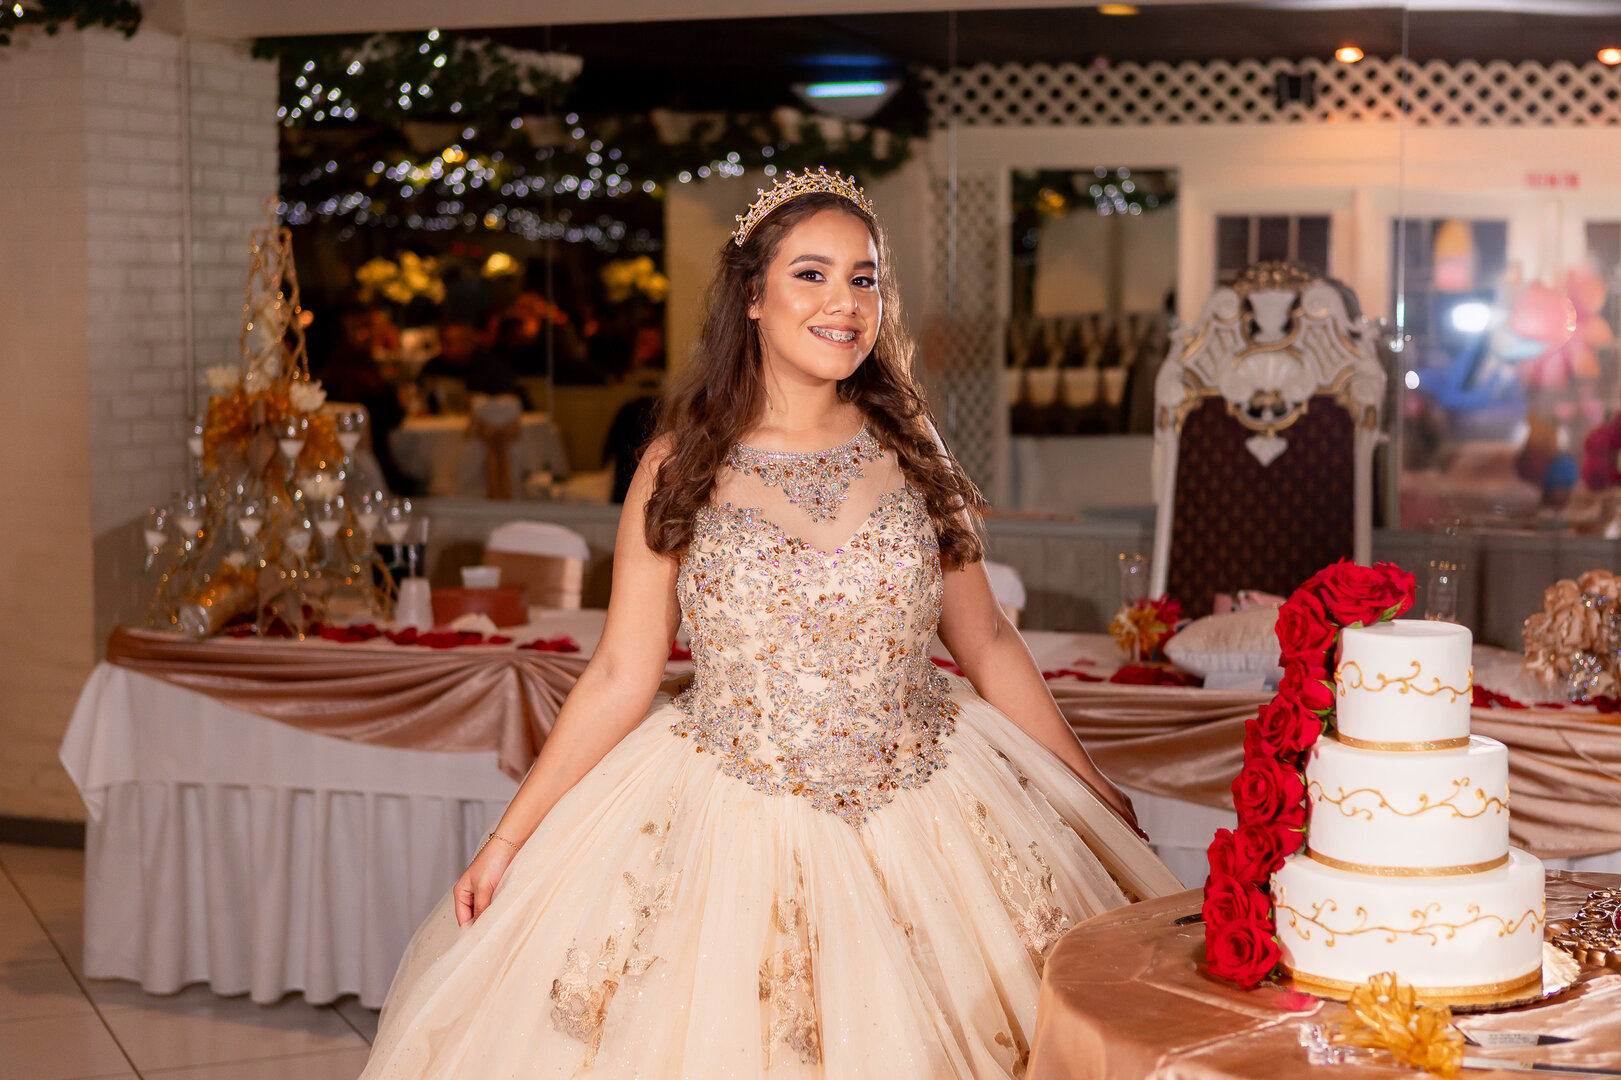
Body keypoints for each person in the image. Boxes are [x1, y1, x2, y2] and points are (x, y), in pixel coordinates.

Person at [360, 170, 1181, 1080]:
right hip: (729, 804)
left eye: (864, 279)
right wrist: (507, 841)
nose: (844, 302)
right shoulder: (679, 463)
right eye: (811, 274)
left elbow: (985, 640)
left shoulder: (912, 443)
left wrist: (1085, 784)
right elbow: (621, 673)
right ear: (751, 296)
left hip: (933, 794)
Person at [416, 319, 520, 408]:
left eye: (450, 342)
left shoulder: (492, 367)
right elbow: (420, 397)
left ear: (468, 343)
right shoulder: (433, 367)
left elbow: (508, 400)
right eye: (443, 341)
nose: (445, 347)